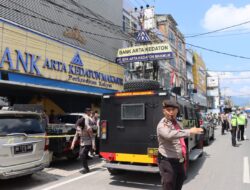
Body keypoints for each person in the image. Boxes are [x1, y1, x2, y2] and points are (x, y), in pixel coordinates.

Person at [157, 99, 203, 190]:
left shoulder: (177, 122)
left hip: (179, 160)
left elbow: (180, 136)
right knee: (169, 186)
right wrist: (190, 131)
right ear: (164, 111)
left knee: (179, 183)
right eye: (168, 110)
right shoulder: (162, 125)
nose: (171, 112)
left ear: (177, 111)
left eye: (173, 110)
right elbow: (169, 135)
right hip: (167, 161)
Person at [71, 110, 95, 174]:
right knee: (81, 155)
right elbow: (76, 136)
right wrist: (72, 144)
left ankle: (86, 169)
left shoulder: (88, 128)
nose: (78, 128)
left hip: (88, 142)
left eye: (79, 126)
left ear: (83, 125)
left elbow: (92, 137)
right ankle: (85, 166)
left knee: (82, 154)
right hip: (82, 142)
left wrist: (93, 145)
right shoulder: (78, 128)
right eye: (78, 127)